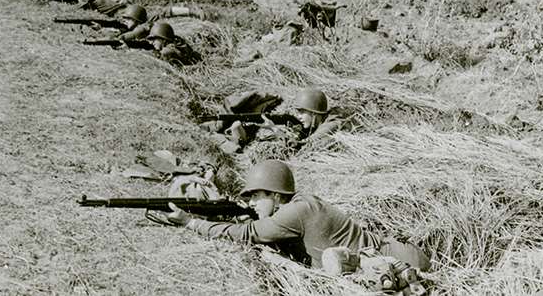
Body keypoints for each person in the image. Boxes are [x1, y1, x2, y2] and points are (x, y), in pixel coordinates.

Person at [163, 160, 431, 273]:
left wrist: (191, 222)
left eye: (257, 196)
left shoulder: (295, 212)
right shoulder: (298, 204)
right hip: (395, 254)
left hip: (402, 262)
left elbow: (248, 234)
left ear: (277, 195)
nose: (253, 203)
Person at [202, 88, 342, 154]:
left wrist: (274, 128)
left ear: (315, 113)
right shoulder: (316, 123)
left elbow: (303, 146)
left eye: (302, 112)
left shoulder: (332, 124)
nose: (298, 116)